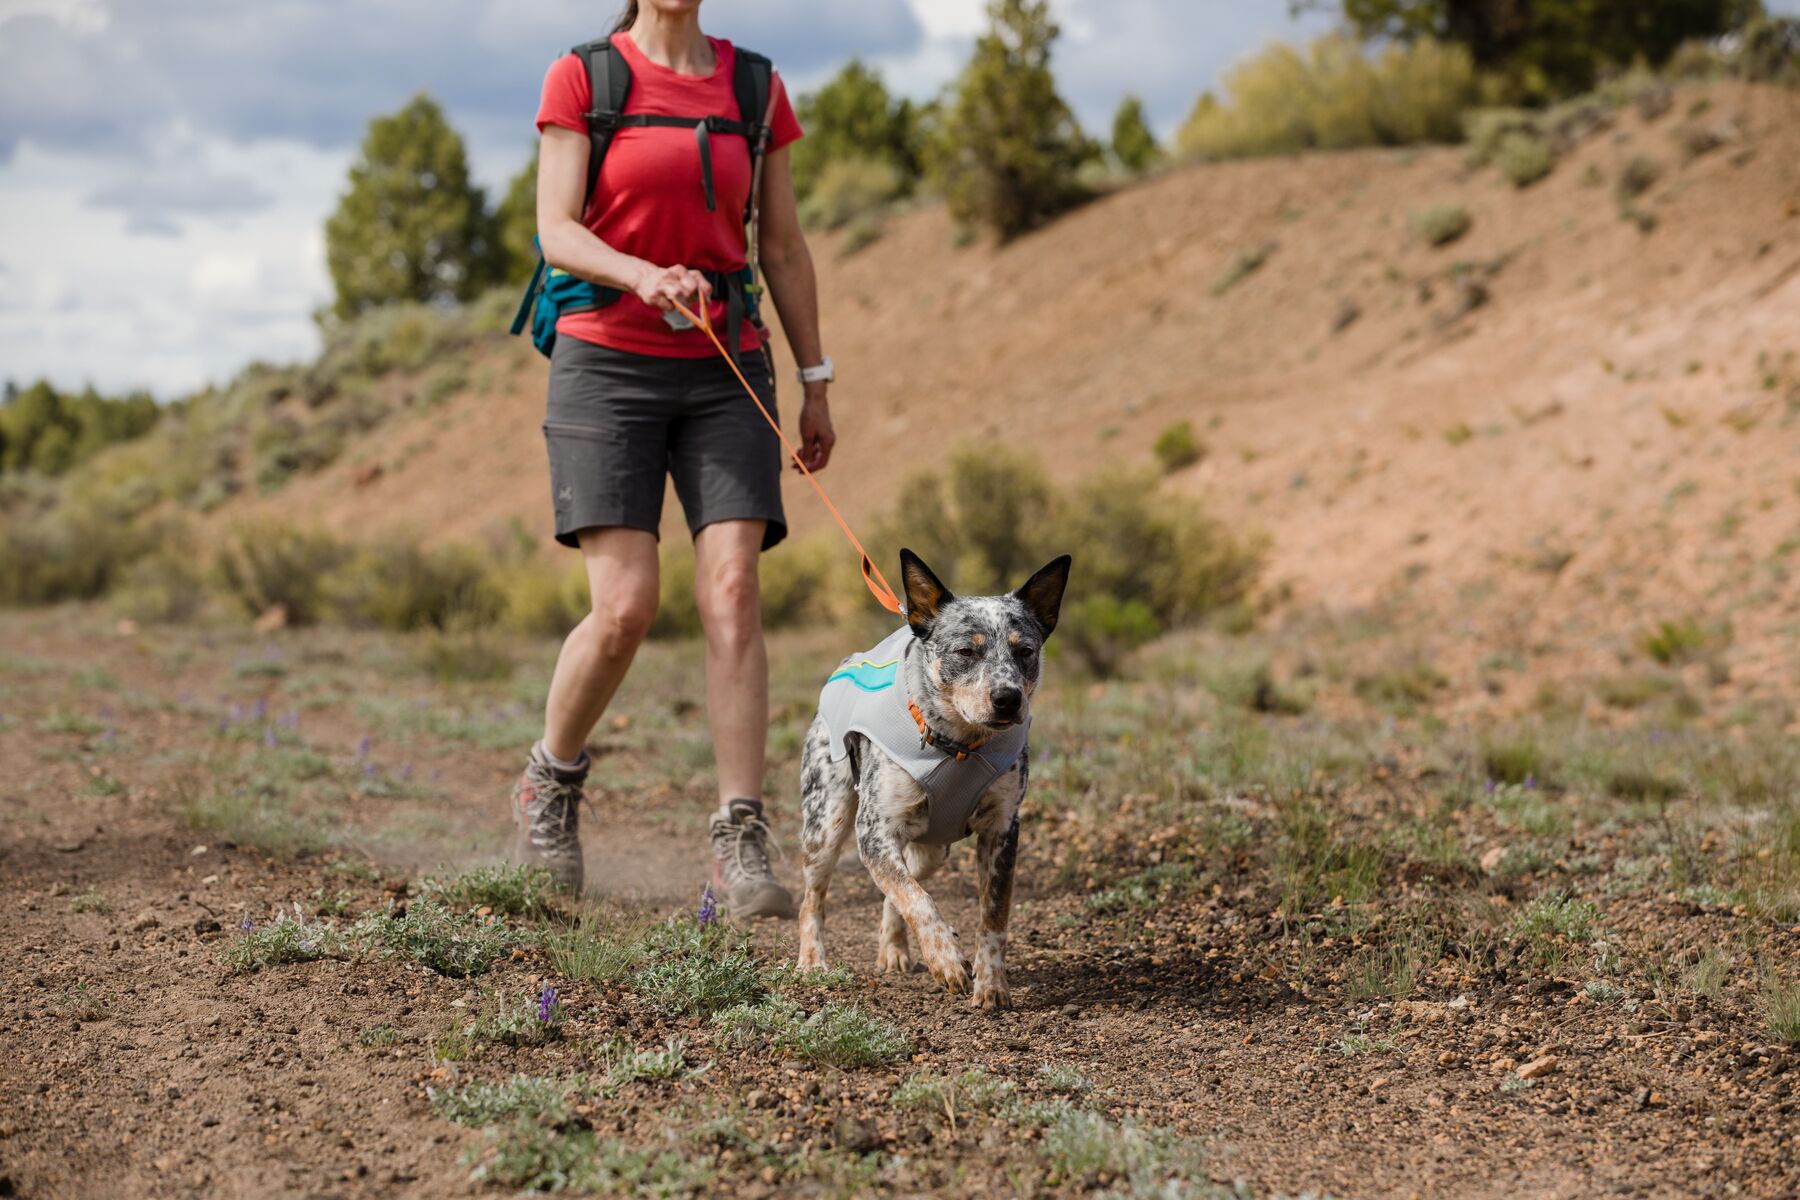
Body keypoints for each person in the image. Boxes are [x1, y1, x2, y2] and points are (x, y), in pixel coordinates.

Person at [514, 0, 836, 917]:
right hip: (604, 362)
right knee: (624, 609)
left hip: (725, 362)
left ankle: (740, 832)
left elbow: (780, 243)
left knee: (733, 589)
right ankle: (551, 779)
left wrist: (815, 379)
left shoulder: (754, 85)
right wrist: (642, 273)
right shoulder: (584, 77)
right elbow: (557, 229)